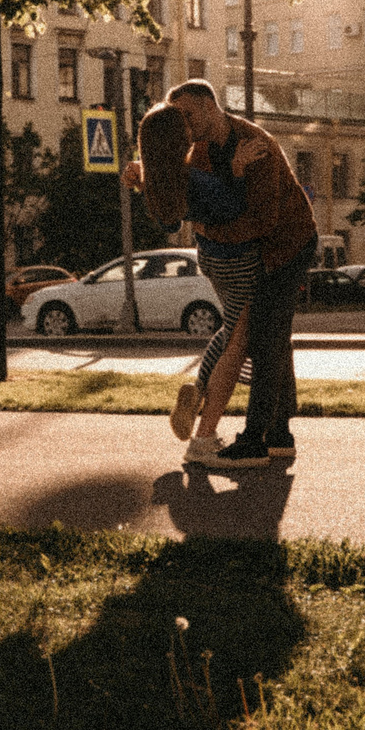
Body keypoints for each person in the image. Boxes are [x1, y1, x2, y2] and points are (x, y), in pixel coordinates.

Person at [166, 79, 318, 464]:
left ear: (208, 106)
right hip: (248, 253)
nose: (183, 125)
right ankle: (280, 434)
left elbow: (265, 221)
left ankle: (254, 440)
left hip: (286, 247)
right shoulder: (199, 151)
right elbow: (202, 198)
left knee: (263, 339)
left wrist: (210, 230)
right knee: (264, 336)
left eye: (187, 115)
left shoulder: (257, 144)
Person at [133, 104, 262, 465]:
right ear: (177, 140)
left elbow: (171, 225)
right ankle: (204, 434)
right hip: (237, 259)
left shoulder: (160, 181)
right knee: (239, 339)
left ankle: (196, 392)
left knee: (233, 329)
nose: (191, 132)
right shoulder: (194, 179)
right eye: (185, 129)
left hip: (211, 259)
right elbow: (235, 209)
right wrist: (237, 169)